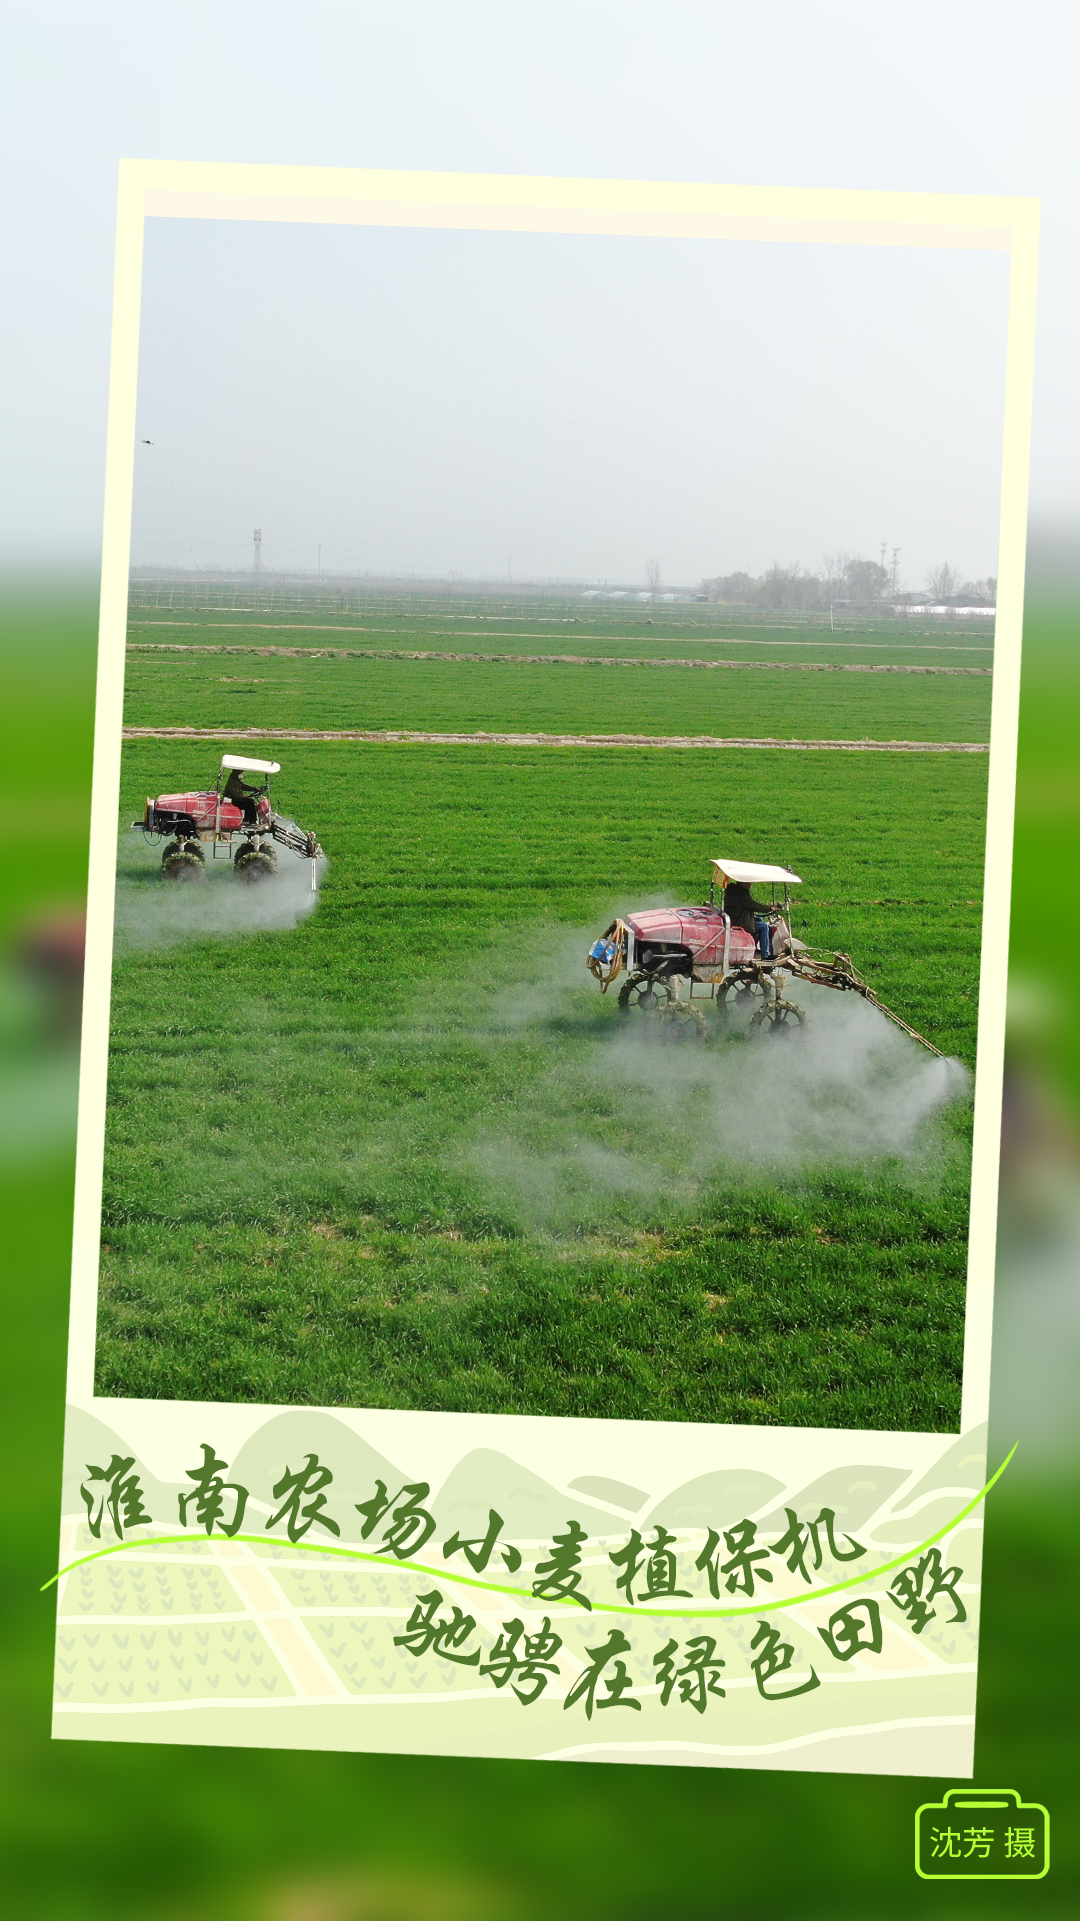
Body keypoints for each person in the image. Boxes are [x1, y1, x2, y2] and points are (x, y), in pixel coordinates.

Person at [722, 878, 773, 958]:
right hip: (739, 923)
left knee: (759, 920)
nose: (751, 884)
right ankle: (765, 954)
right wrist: (770, 908)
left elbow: (750, 905)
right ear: (743, 883)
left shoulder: (734, 892)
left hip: (735, 918)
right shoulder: (741, 895)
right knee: (764, 926)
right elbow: (754, 906)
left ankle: (754, 946)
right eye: (749, 882)